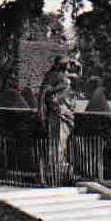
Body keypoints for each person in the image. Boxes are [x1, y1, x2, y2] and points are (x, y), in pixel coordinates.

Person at [37, 54, 81, 185]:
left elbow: (78, 74)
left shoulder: (63, 75)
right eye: (68, 63)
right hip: (58, 112)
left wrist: (78, 64)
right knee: (57, 142)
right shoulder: (55, 76)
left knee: (61, 142)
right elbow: (45, 92)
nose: (70, 65)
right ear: (63, 65)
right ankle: (55, 167)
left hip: (64, 112)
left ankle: (59, 166)